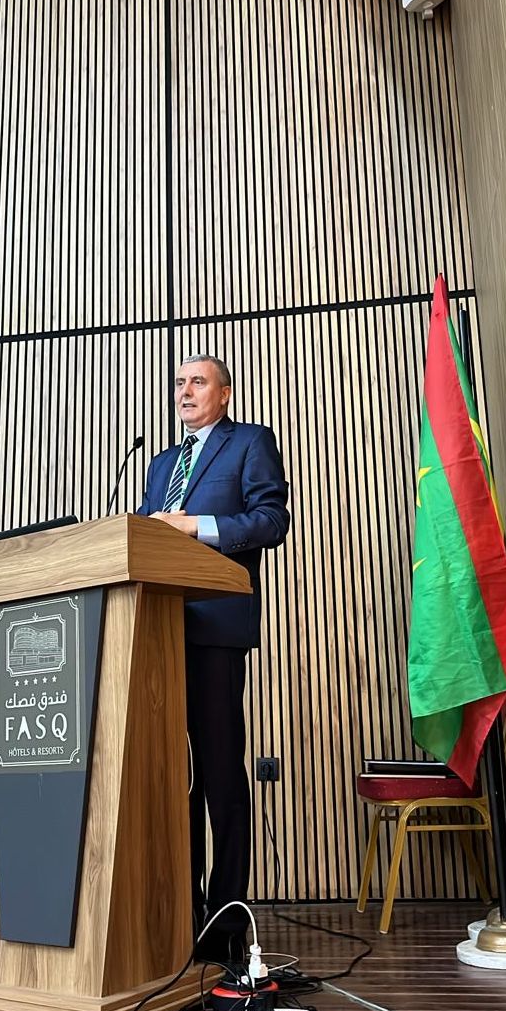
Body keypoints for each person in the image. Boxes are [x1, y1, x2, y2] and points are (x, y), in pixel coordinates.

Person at [137, 354, 289, 962]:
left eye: (197, 381)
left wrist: (195, 525)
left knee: (219, 774)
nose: (185, 391)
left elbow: (271, 521)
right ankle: (182, 911)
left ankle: (225, 919)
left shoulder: (249, 443)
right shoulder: (160, 463)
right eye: (179, 382)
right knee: (169, 778)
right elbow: (144, 538)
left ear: (224, 393)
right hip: (155, 632)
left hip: (216, 628)